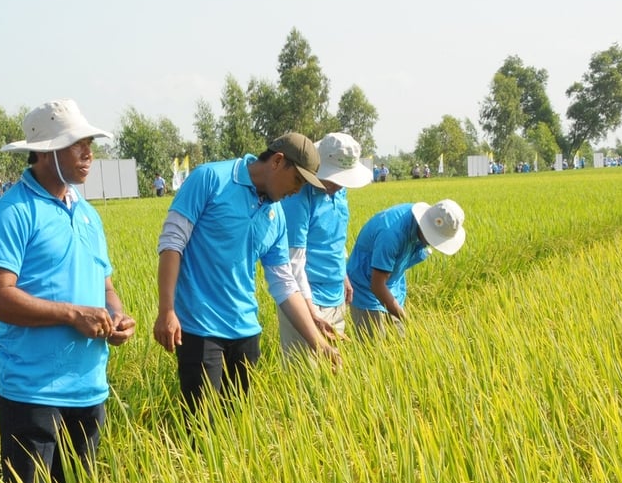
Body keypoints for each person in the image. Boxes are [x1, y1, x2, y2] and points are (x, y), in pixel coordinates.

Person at [0, 99, 136, 483]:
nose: (88, 154)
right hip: (33, 392)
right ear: (46, 152)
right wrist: (71, 314)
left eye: (89, 144)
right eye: (76, 145)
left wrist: (115, 315)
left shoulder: (87, 215)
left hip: (89, 387)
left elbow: (104, 284)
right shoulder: (11, 213)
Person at [153, 132, 341, 412]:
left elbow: (284, 282)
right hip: (201, 328)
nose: (297, 191)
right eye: (298, 181)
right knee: (201, 430)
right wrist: (167, 310)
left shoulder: (276, 216)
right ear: (278, 162)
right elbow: (172, 242)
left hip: (246, 333)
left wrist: (319, 344)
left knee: (235, 428)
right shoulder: (211, 179)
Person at [277, 132, 372, 354]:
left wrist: (344, 276)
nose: (338, 185)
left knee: (333, 375)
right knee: (305, 374)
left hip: (336, 294)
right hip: (304, 298)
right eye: (334, 179)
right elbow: (292, 262)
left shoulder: (339, 191)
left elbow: (335, 237)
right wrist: (310, 312)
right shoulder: (298, 195)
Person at [346, 199, 466, 337]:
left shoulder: (419, 225)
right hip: (366, 286)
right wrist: (407, 320)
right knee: (374, 344)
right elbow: (377, 286)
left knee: (401, 340)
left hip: (392, 282)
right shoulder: (391, 235)